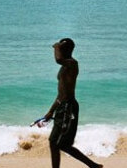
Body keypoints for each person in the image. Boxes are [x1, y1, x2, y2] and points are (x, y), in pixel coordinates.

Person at [44, 38, 103, 168]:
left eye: (61, 48)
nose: (59, 50)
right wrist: (51, 111)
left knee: (62, 144)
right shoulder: (66, 66)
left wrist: (55, 46)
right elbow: (61, 93)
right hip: (62, 106)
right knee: (53, 141)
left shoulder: (72, 64)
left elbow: (58, 60)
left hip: (68, 107)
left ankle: (93, 166)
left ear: (67, 50)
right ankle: (93, 166)